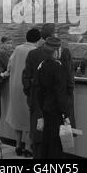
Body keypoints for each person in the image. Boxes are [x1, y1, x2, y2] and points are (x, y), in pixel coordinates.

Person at [22, 23, 75, 159]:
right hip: (57, 107)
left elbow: (26, 79)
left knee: (39, 139)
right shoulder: (64, 53)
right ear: (54, 35)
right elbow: (69, 82)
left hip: (39, 104)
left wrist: (32, 97)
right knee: (56, 143)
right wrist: (67, 108)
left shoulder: (33, 53)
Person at [5, 28, 41, 157]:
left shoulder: (18, 49)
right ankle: (28, 147)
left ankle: (18, 145)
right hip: (27, 88)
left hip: (14, 85)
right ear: (38, 39)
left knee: (17, 115)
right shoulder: (35, 51)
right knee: (29, 116)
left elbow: (9, 66)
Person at [36, 37, 70, 159]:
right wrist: (66, 114)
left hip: (45, 108)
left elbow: (38, 91)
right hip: (56, 110)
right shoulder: (58, 68)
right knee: (56, 143)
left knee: (46, 140)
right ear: (55, 51)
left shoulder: (41, 66)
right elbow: (60, 93)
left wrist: (41, 108)